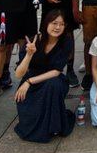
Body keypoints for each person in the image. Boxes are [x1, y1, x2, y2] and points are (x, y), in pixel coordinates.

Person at [13, 9, 76, 142]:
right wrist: (29, 55)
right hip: (32, 79)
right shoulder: (33, 41)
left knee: (53, 84)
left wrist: (29, 81)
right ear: (46, 23)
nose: (58, 27)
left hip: (53, 80)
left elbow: (56, 71)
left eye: (61, 24)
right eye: (54, 23)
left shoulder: (66, 42)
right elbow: (19, 74)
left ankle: (54, 126)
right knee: (30, 113)